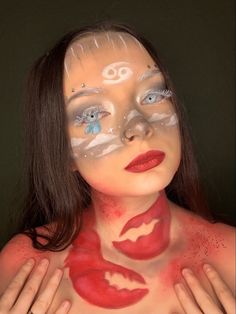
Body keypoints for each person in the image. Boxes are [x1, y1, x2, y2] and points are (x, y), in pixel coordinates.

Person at [0, 21, 235, 314]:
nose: (138, 126)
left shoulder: (229, 257)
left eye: (152, 96)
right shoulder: (25, 264)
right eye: (92, 113)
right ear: (63, 152)